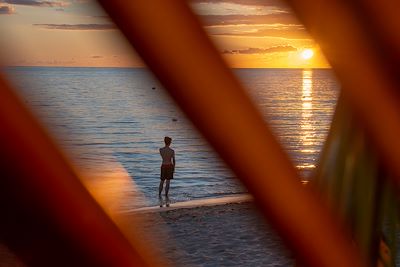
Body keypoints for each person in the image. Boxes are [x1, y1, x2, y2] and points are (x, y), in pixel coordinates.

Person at [159, 136, 175, 204]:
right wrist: (174, 168)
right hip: (169, 166)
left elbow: (163, 157)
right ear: (170, 142)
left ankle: (159, 195)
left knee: (162, 181)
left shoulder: (161, 150)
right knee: (168, 182)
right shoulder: (172, 151)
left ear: (164, 142)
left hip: (163, 165)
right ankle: (166, 195)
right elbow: (174, 160)